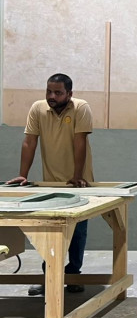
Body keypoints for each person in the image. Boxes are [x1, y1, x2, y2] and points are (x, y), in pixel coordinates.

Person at [6, 73, 93, 295]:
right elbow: (29, 141)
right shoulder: (38, 109)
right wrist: (23, 175)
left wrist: (77, 175)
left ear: (69, 94)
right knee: (50, 231)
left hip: (79, 181)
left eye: (58, 92)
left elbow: (80, 142)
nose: (52, 96)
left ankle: (73, 275)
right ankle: (50, 278)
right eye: (49, 91)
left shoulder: (81, 108)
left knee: (77, 231)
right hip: (51, 181)